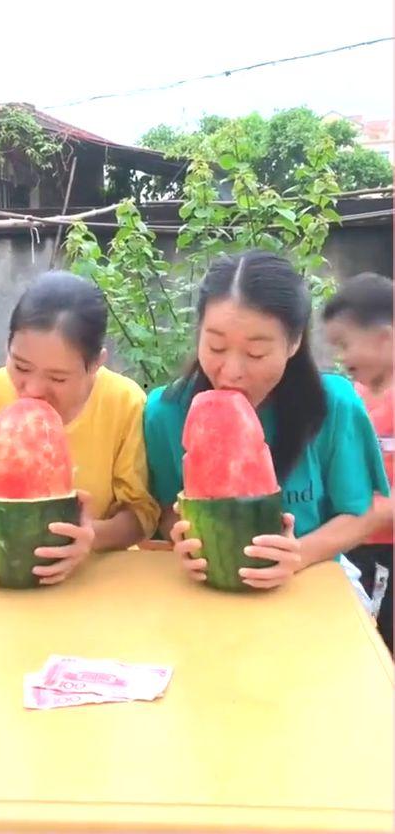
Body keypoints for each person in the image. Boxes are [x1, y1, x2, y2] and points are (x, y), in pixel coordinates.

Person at [144, 250, 389, 593]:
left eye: (256, 353)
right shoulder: (165, 411)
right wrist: (183, 540)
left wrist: (298, 554)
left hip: (313, 581)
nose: (231, 372)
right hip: (206, 588)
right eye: (216, 347)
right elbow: (168, 507)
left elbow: (361, 512)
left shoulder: (334, 405)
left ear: (294, 342)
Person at [0, 270, 159, 586]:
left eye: (58, 378)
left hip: (101, 581)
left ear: (95, 364)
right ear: (7, 346)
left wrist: (92, 536)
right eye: (20, 366)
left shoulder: (125, 403)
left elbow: (142, 512)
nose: (32, 389)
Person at [323, 272, 393, 652]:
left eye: (345, 344)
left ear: (384, 337)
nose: (341, 357)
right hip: (353, 548)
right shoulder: (354, 398)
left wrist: (366, 514)